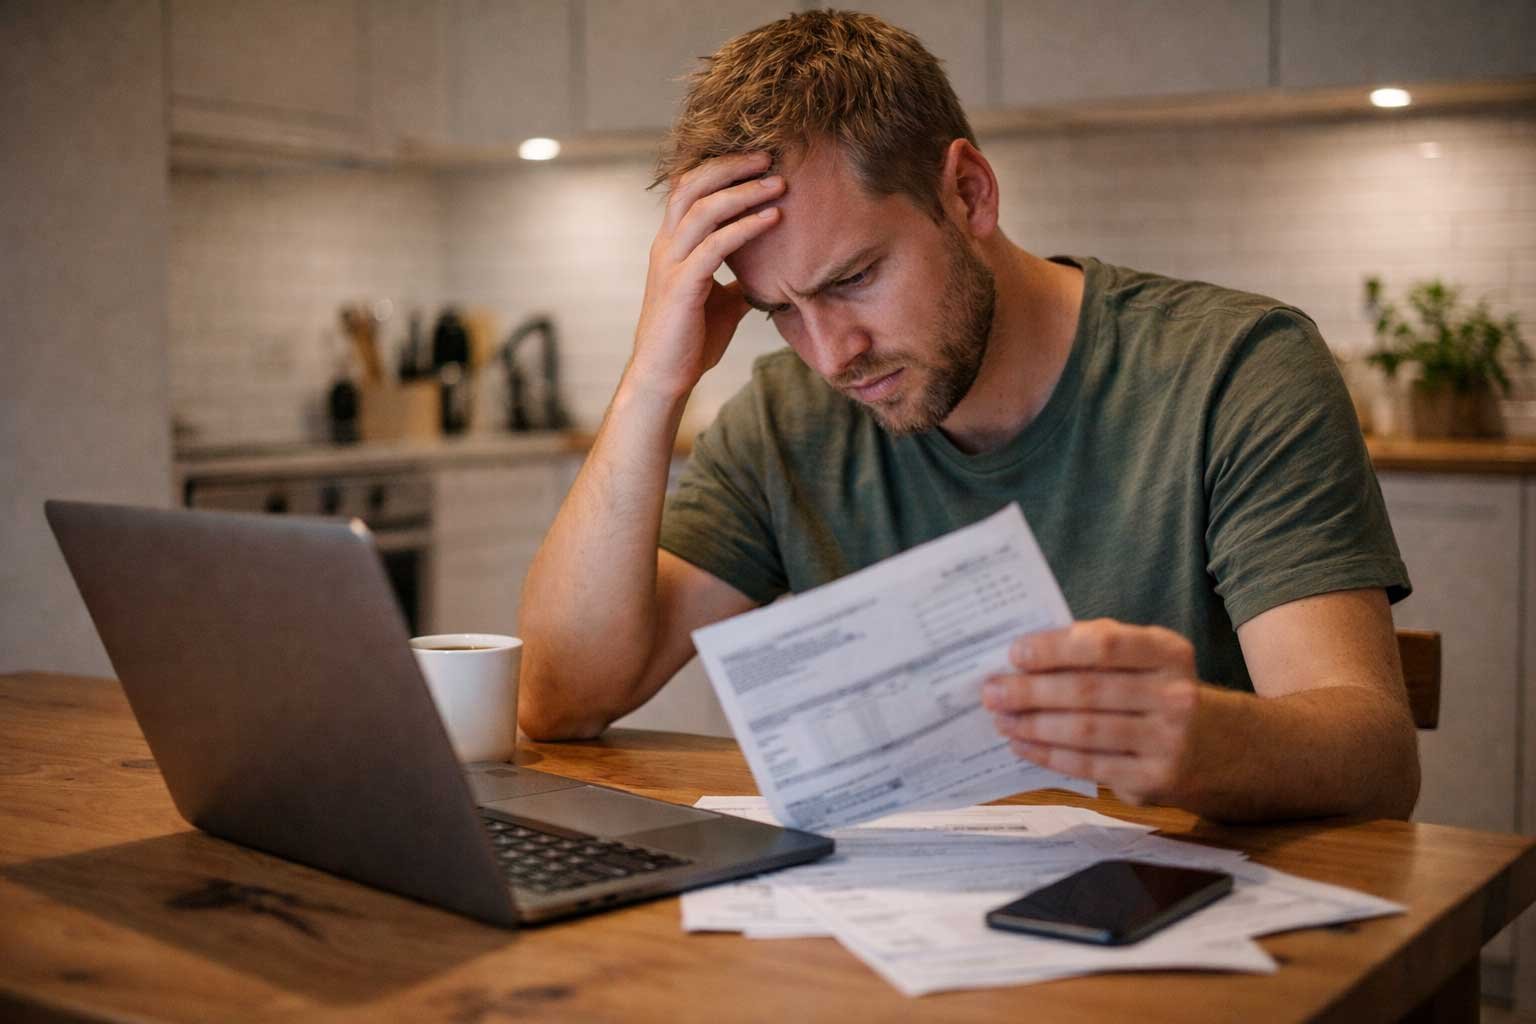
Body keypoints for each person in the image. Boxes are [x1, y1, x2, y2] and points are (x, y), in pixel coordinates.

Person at [517, 10, 1418, 823]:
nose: (832, 356)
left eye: (853, 279)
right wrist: (651, 382)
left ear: (969, 193)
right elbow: (560, 700)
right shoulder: (783, 424)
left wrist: (1200, 740)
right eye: (780, 311)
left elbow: (1376, 756)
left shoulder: (1236, 372)